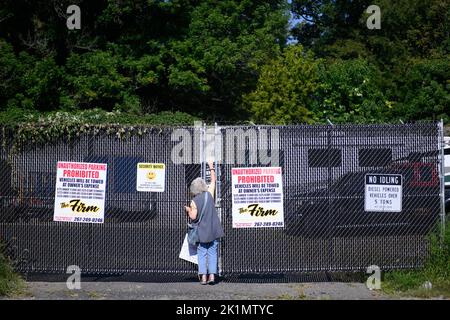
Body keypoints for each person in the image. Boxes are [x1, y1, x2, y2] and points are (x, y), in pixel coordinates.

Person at [185, 161, 224, 285]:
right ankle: (212, 276)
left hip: (202, 231)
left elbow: (193, 216)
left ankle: (203, 277)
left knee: (202, 253)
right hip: (213, 229)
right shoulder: (209, 195)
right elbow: (213, 181)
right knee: (213, 253)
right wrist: (211, 167)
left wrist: (188, 210)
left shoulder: (194, 201)